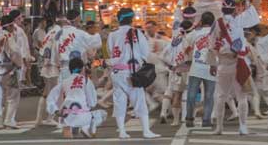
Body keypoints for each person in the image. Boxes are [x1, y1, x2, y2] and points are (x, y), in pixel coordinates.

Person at [207, 0, 260, 135]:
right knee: (241, 97)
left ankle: (219, 127)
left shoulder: (217, 24)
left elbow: (211, 44)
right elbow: (254, 17)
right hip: (239, 63)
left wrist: (213, 63)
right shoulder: (239, 20)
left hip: (223, 64)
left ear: (221, 9)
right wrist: (247, 3)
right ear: (234, 9)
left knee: (220, 96)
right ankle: (242, 126)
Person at [107, 8, 160, 139]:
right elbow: (145, 52)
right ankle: (146, 131)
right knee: (139, 102)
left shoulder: (112, 34)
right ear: (131, 19)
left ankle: (122, 131)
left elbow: (110, 52)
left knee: (120, 102)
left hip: (117, 72)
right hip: (132, 72)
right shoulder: (136, 33)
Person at [46, 57, 107, 138]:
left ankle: (68, 127)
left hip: (66, 116)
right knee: (102, 114)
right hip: (82, 115)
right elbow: (92, 103)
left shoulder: (65, 81)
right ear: (82, 69)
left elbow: (50, 97)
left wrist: (55, 110)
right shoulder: (86, 80)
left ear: (70, 69)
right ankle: (86, 127)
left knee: (69, 115)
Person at [185, 11, 217, 128]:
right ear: (213, 22)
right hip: (211, 67)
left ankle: (189, 118)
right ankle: (206, 120)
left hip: (196, 67)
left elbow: (186, 40)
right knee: (209, 95)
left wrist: (195, 27)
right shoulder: (216, 33)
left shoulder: (196, 33)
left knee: (192, 95)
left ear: (202, 21)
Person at [0, 15, 24, 129]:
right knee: (13, 95)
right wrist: (19, 65)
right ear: (10, 25)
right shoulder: (9, 36)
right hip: (9, 69)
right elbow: (15, 52)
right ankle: (9, 119)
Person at [55, 9, 102, 82]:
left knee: (65, 90)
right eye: (80, 20)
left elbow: (55, 51)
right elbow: (94, 42)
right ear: (77, 19)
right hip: (76, 68)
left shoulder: (59, 33)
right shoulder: (79, 33)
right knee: (77, 90)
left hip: (63, 68)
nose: (80, 23)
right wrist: (99, 31)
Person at [35, 14, 65, 126]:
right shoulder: (59, 32)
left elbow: (43, 48)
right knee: (56, 93)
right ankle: (50, 117)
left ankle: (39, 119)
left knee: (46, 92)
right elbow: (58, 49)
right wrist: (59, 63)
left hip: (45, 64)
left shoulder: (50, 32)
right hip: (53, 65)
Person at [163, 20, 193, 126]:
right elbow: (191, 56)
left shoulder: (174, 40)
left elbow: (163, 55)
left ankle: (175, 120)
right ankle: (185, 117)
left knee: (176, 94)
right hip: (188, 69)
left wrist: (170, 66)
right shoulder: (189, 39)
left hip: (175, 69)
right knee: (186, 94)